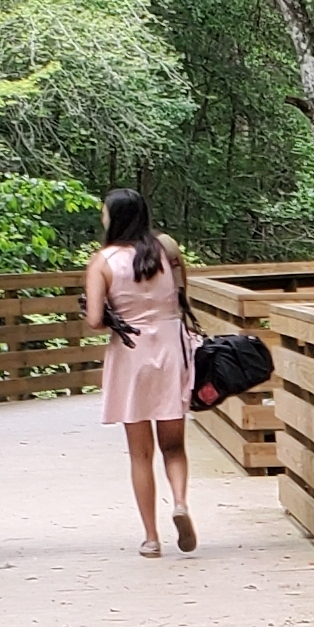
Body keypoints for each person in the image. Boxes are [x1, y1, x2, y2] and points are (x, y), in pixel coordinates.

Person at [83, 189, 199, 557]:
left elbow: (95, 320)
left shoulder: (102, 261)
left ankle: (151, 537)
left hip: (131, 354)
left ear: (113, 218)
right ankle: (179, 502)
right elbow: (182, 295)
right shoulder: (165, 252)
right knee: (174, 445)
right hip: (170, 348)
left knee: (140, 454)